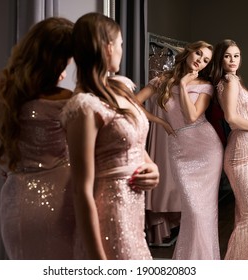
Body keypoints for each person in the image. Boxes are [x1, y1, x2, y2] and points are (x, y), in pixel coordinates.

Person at [0, 17, 75, 259]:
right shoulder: (65, 98)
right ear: (57, 60)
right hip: (62, 203)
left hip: (14, 204)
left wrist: (9, 154)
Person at [60, 12, 159, 260]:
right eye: (121, 44)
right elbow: (81, 189)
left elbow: (132, 141)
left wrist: (151, 166)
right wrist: (97, 261)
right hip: (111, 212)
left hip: (134, 212)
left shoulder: (121, 89)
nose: (122, 50)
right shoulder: (84, 105)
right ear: (108, 46)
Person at [136, 41, 223, 260]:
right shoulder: (162, 80)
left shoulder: (206, 86)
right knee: (191, 209)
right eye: (198, 54)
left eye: (205, 61)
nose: (200, 61)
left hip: (206, 148)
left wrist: (183, 85)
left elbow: (192, 115)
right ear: (189, 52)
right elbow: (133, 102)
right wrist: (160, 121)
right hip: (179, 150)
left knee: (202, 212)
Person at [210, 39, 248, 260]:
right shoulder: (229, 81)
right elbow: (231, 118)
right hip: (240, 153)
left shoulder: (237, 81)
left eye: (237, 56)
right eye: (227, 56)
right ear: (220, 59)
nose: (233, 60)